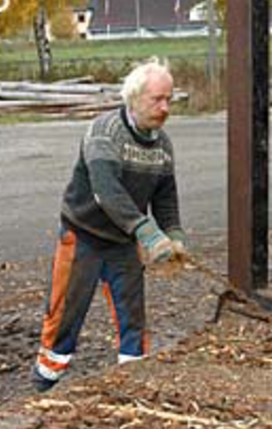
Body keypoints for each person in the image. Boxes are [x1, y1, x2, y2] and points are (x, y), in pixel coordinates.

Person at [31, 57, 186, 392]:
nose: (164, 107)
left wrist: (173, 235)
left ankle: (134, 384)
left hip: (122, 242)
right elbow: (107, 193)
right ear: (134, 97)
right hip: (83, 235)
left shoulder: (162, 145)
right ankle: (44, 384)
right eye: (156, 99)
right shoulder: (105, 132)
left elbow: (165, 196)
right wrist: (148, 234)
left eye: (168, 99)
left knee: (133, 316)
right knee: (64, 314)